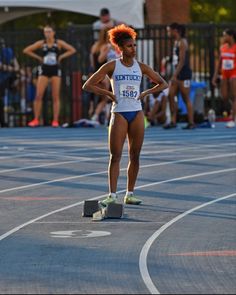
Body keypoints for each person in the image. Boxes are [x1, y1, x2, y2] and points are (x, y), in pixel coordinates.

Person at [83, 24, 168, 206]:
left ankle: (129, 193)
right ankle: (112, 195)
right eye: (129, 46)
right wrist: (108, 94)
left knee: (135, 155)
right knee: (115, 156)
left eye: (134, 45)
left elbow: (163, 84)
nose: (133, 49)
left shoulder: (141, 67)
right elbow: (88, 85)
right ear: (120, 48)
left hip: (136, 112)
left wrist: (145, 93)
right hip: (119, 113)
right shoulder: (112, 66)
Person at [23, 24, 76, 127]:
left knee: (55, 96)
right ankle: (36, 119)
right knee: (38, 95)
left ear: (53, 33)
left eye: (49, 31)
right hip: (44, 69)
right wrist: (38, 58)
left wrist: (61, 57)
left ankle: (55, 120)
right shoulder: (41, 43)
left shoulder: (58, 43)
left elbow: (72, 49)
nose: (47, 34)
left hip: (55, 69)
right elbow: (26, 50)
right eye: (45, 32)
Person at [164, 22, 195, 129]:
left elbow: (182, 61)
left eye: (169, 30)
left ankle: (191, 122)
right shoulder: (176, 42)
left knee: (186, 98)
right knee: (170, 95)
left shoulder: (182, 42)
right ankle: (173, 120)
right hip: (176, 73)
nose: (168, 32)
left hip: (183, 74)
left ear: (175, 31)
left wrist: (174, 75)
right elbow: (176, 59)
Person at [212, 28, 236, 128]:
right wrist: (215, 76)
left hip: (234, 73)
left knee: (234, 96)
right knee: (225, 96)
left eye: (225, 35)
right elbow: (219, 62)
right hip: (224, 74)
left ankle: (232, 119)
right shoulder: (223, 47)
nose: (223, 37)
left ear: (230, 36)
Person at [0, 37, 20, 127]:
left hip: (4, 79)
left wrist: (8, 68)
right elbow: (16, 67)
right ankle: (4, 121)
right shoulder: (9, 51)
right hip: (7, 78)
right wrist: (12, 69)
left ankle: (4, 121)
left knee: (3, 100)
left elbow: (16, 67)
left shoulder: (8, 51)